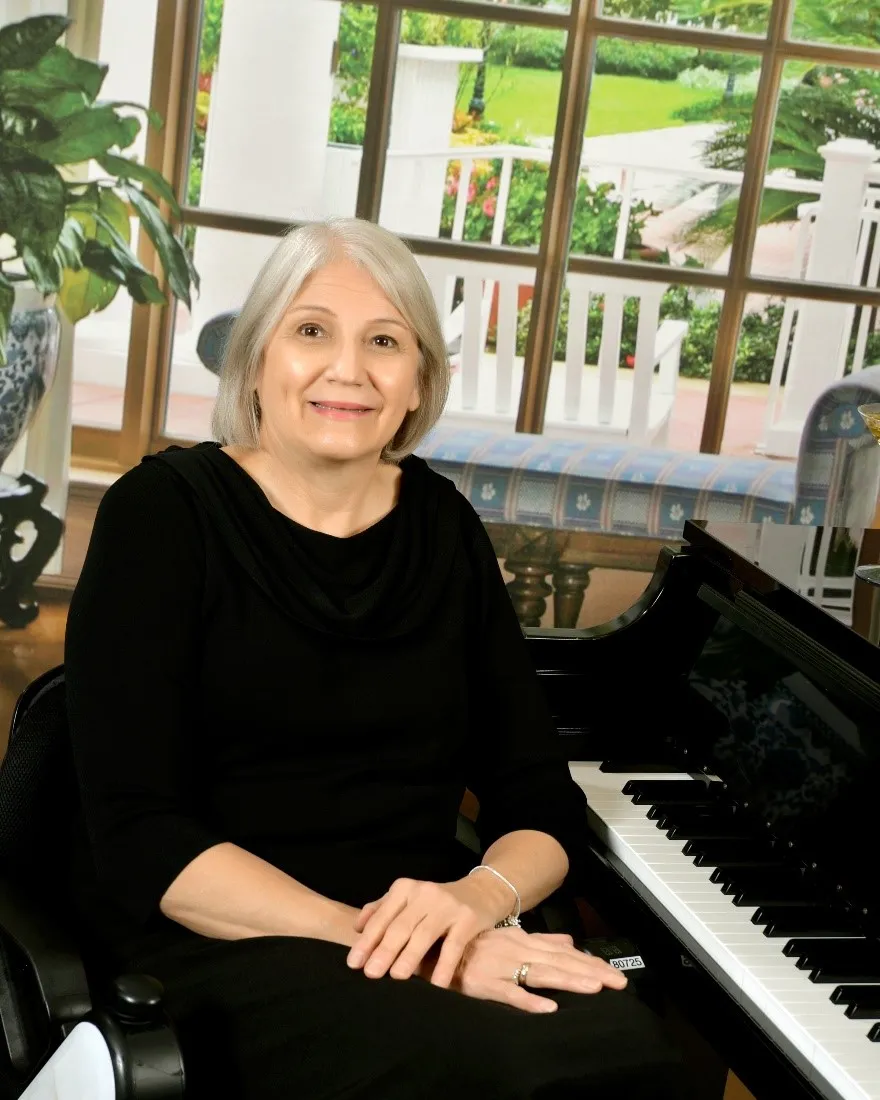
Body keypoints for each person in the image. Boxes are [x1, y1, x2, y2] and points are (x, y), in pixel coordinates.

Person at [65, 217, 688, 1099]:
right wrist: (404, 945)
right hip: (219, 938)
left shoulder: (443, 529)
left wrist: (470, 911)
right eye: (311, 330)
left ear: (419, 381)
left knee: (624, 1053)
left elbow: (541, 803)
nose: (347, 369)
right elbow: (144, 841)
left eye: (385, 341)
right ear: (257, 358)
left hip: (425, 921)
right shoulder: (161, 518)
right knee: (484, 1076)